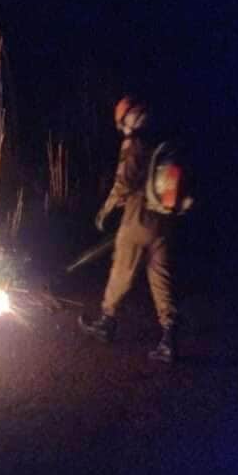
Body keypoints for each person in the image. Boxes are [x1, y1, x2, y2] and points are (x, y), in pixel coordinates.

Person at [79, 95, 192, 363]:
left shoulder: (134, 143)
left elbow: (124, 182)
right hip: (163, 221)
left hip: (138, 217)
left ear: (128, 119)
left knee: (122, 269)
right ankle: (168, 336)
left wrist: (105, 209)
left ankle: (106, 322)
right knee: (160, 275)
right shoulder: (163, 140)